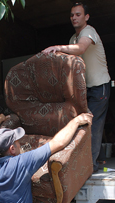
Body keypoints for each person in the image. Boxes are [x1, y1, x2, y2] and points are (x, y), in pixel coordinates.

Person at [42, 2, 111, 173]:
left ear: (86, 17)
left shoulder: (89, 32)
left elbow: (80, 49)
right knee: (84, 124)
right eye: (72, 15)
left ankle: (91, 166)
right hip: (85, 89)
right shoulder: (73, 39)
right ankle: (98, 159)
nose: (74, 17)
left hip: (99, 86)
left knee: (91, 125)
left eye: (78, 14)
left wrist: (57, 48)